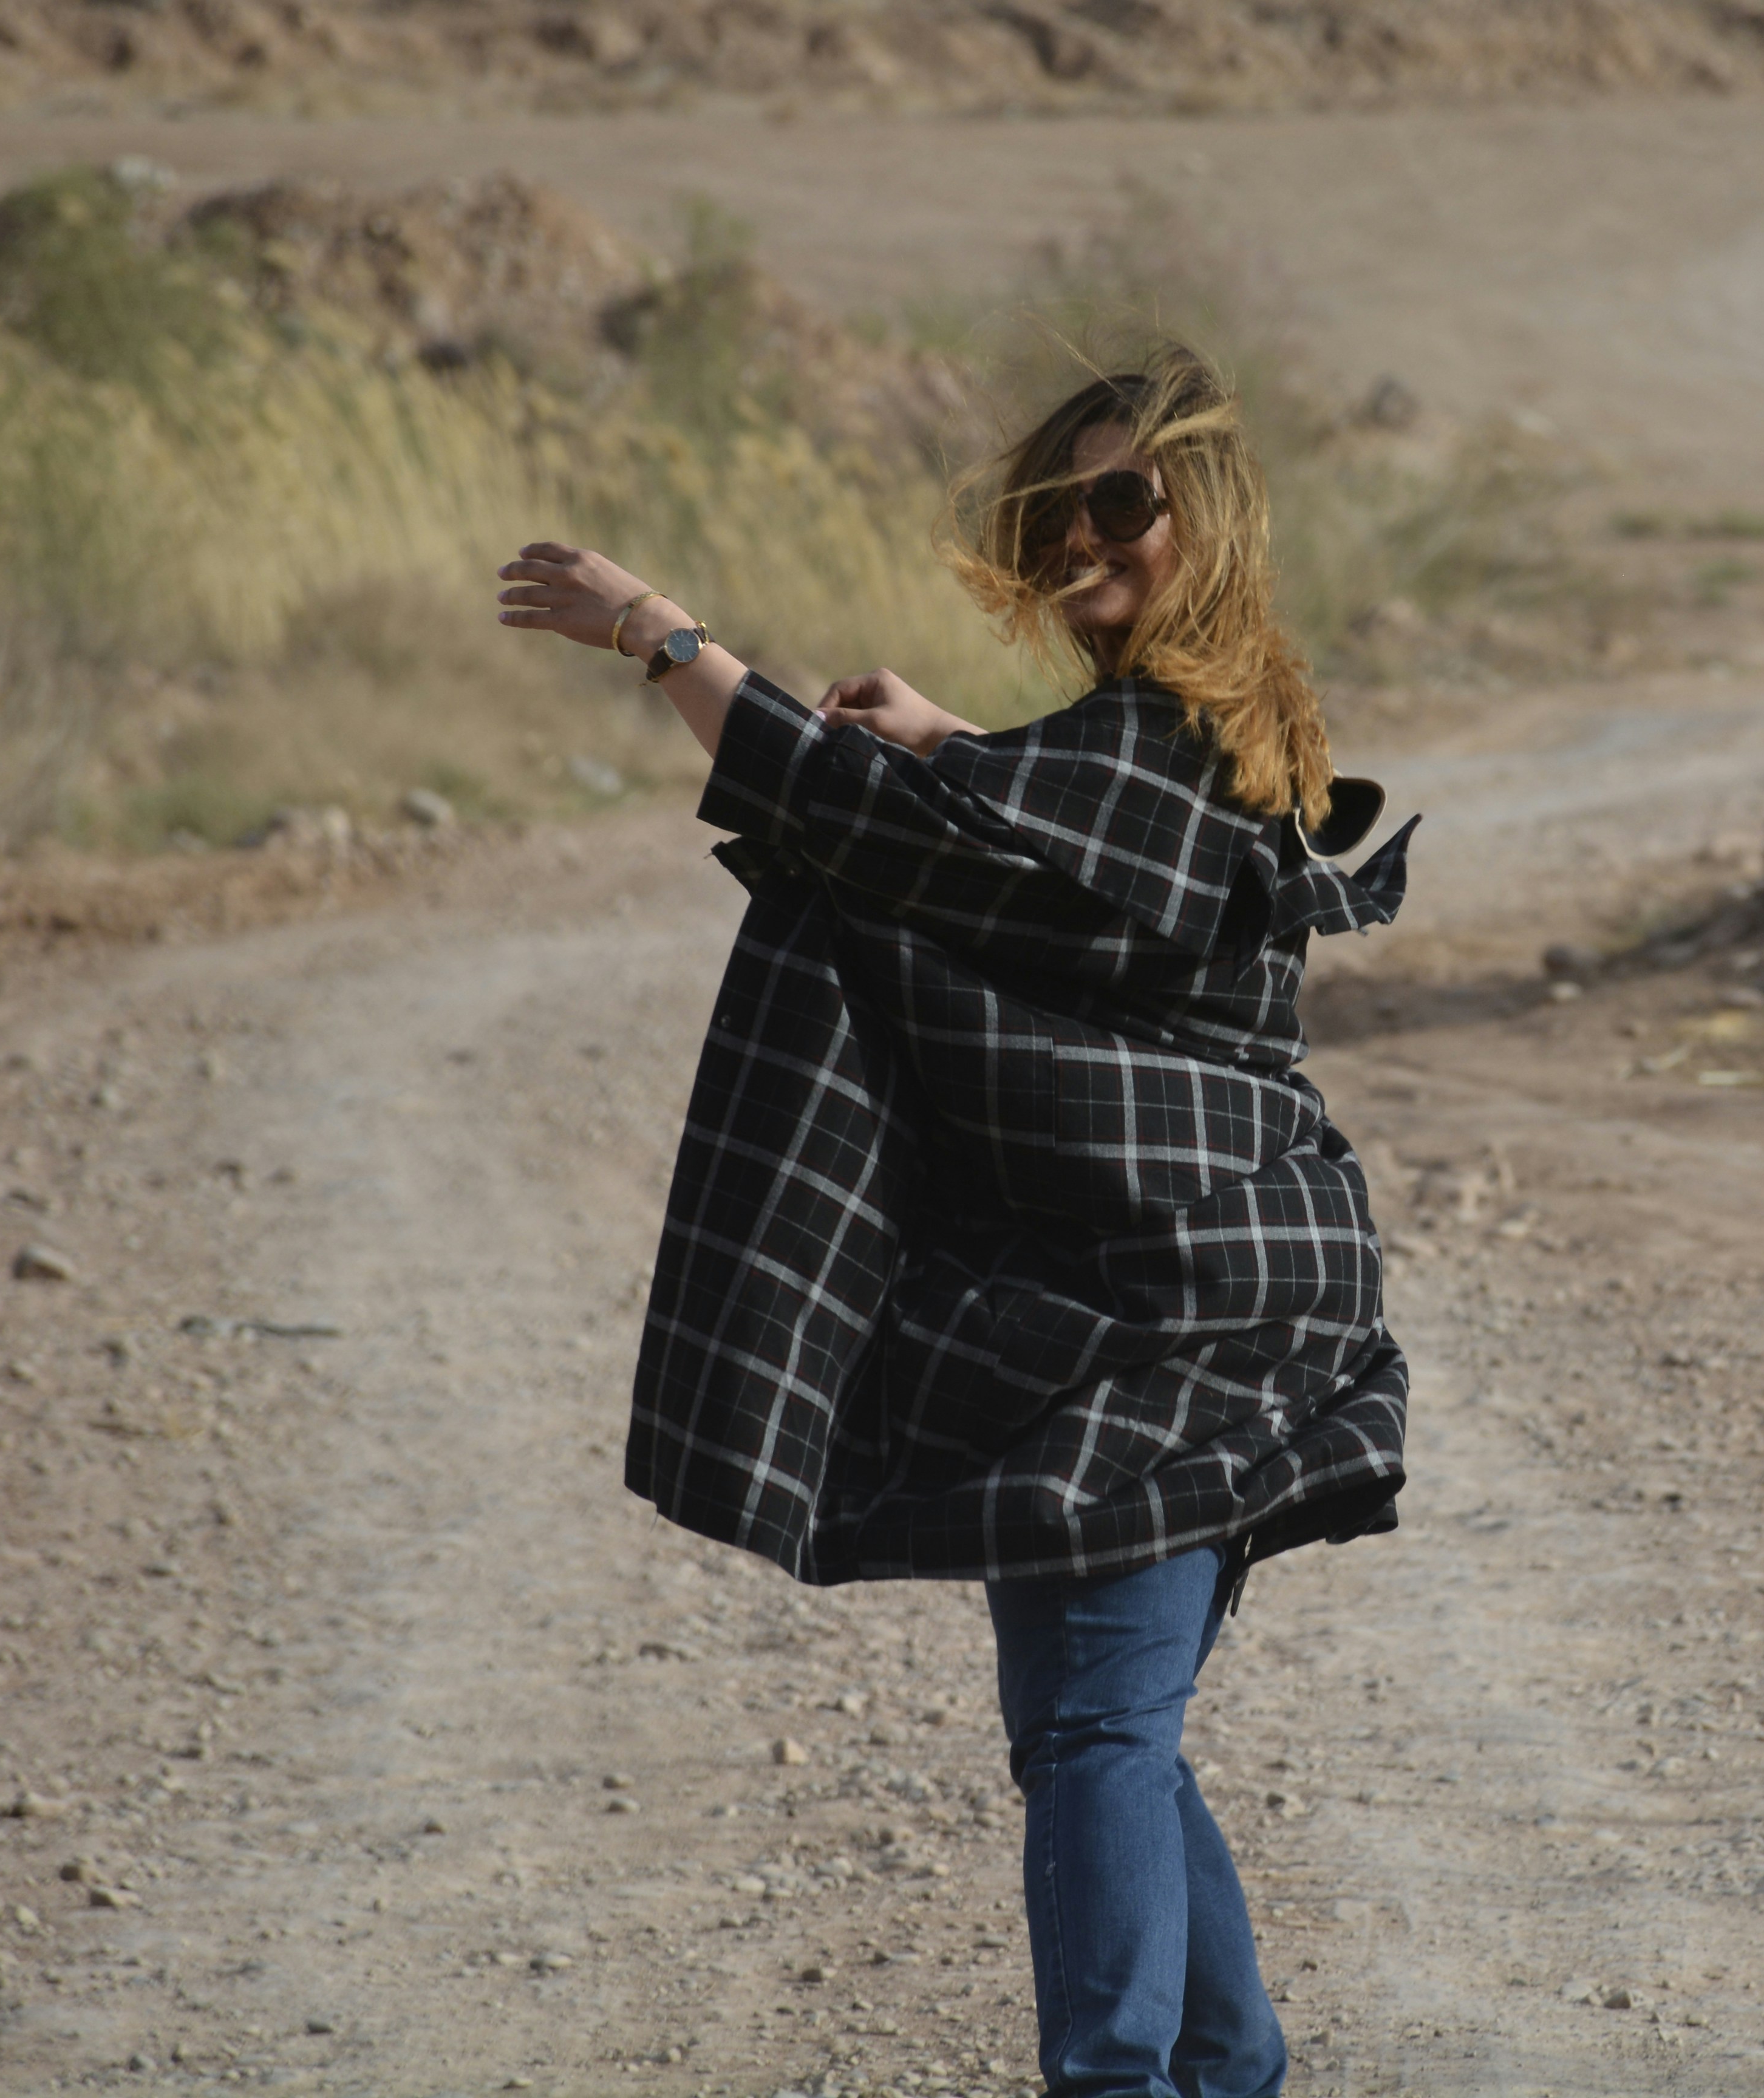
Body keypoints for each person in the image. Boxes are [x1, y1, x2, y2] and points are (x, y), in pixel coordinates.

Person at [493, 343, 1412, 2098]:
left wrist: (671, 644)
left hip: (1151, 1325)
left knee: (1090, 1732)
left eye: (1127, 498)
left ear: (1203, 517)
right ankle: (1227, 2075)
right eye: (1064, 502)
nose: (1089, 531)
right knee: (1109, 1732)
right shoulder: (1215, 723)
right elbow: (1065, 858)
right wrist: (965, 747)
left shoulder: (1154, 734)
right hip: (1196, 1305)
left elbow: (902, 834)